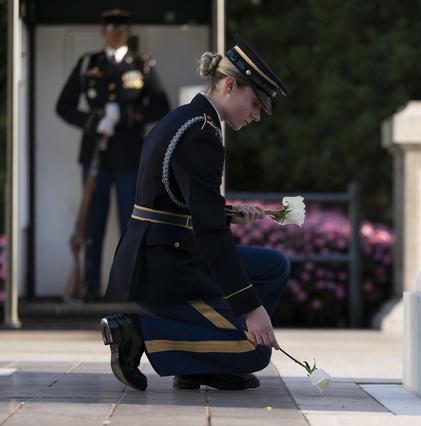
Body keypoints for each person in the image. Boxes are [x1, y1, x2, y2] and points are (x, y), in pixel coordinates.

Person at [100, 34, 290, 392]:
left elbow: (175, 198)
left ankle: (196, 365)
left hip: (158, 252)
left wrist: (231, 212)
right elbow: (208, 232)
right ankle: (138, 329)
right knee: (254, 355)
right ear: (230, 84)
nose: (255, 116)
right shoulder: (202, 134)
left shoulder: (185, 118)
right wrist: (251, 308)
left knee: (274, 267)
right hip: (162, 267)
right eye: (254, 104)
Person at [56, 8, 170, 300]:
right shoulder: (87, 64)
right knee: (92, 221)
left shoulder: (141, 65)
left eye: (121, 25)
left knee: (129, 222)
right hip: (95, 155)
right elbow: (64, 106)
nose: (116, 30)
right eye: (110, 25)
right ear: (102, 30)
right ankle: (91, 287)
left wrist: (124, 115)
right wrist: (95, 122)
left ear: (129, 31)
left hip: (129, 156)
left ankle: (126, 286)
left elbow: (159, 106)